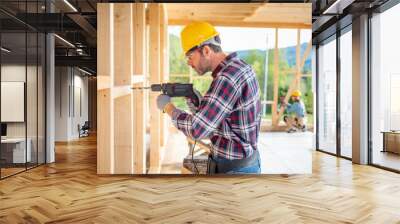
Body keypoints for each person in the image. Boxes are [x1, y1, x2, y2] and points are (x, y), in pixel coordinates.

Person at [156, 21, 262, 174]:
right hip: (245, 162)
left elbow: (197, 130)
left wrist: (168, 108)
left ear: (206, 50)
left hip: (234, 170)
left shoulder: (227, 78)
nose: (189, 63)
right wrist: (201, 106)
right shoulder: (240, 67)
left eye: (190, 56)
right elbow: (226, 120)